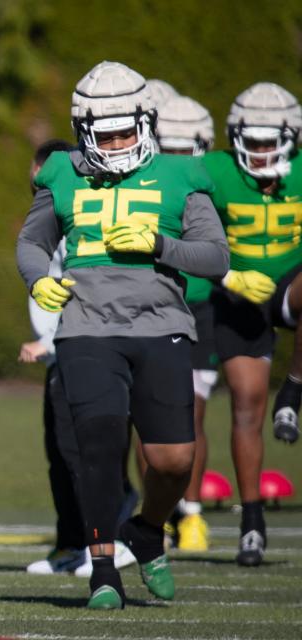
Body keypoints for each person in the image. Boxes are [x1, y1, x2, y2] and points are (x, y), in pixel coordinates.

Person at [16, 61, 228, 609]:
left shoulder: (182, 173)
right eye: (104, 133)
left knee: (174, 461)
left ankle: (148, 529)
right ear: (84, 129)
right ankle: (103, 569)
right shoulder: (63, 171)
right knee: (100, 444)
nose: (115, 142)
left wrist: (159, 244)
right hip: (86, 328)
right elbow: (31, 242)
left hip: (162, 327)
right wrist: (38, 279)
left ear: (146, 122)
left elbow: (214, 256)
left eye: (125, 130)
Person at [203, 82, 302, 566]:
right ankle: (252, 523)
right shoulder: (216, 171)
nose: (261, 151)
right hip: (238, 292)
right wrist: (225, 275)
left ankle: (295, 390)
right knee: (245, 406)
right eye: (253, 139)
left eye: (270, 140)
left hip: (291, 284)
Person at [19, 139, 88, 575]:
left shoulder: (77, 212)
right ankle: (69, 544)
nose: (33, 177)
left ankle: (104, 542)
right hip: (57, 356)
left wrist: (51, 340)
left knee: (80, 452)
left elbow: (86, 281)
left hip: (79, 348)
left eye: (37, 169)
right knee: (58, 454)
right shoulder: (48, 213)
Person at [154, 95, 217, 552]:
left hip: (197, 305)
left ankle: (191, 514)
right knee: (148, 421)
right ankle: (154, 517)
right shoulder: (141, 178)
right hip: (152, 308)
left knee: (193, 414)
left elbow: (220, 248)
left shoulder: (210, 180)